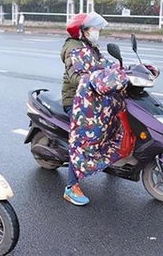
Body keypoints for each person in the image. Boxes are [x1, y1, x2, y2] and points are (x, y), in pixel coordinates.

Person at [60, 12, 111, 206]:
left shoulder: (90, 46)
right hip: (75, 100)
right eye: (94, 29)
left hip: (92, 97)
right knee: (82, 139)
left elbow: (103, 64)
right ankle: (71, 187)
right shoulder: (72, 48)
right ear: (83, 31)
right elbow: (76, 75)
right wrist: (92, 79)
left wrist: (120, 71)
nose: (97, 32)